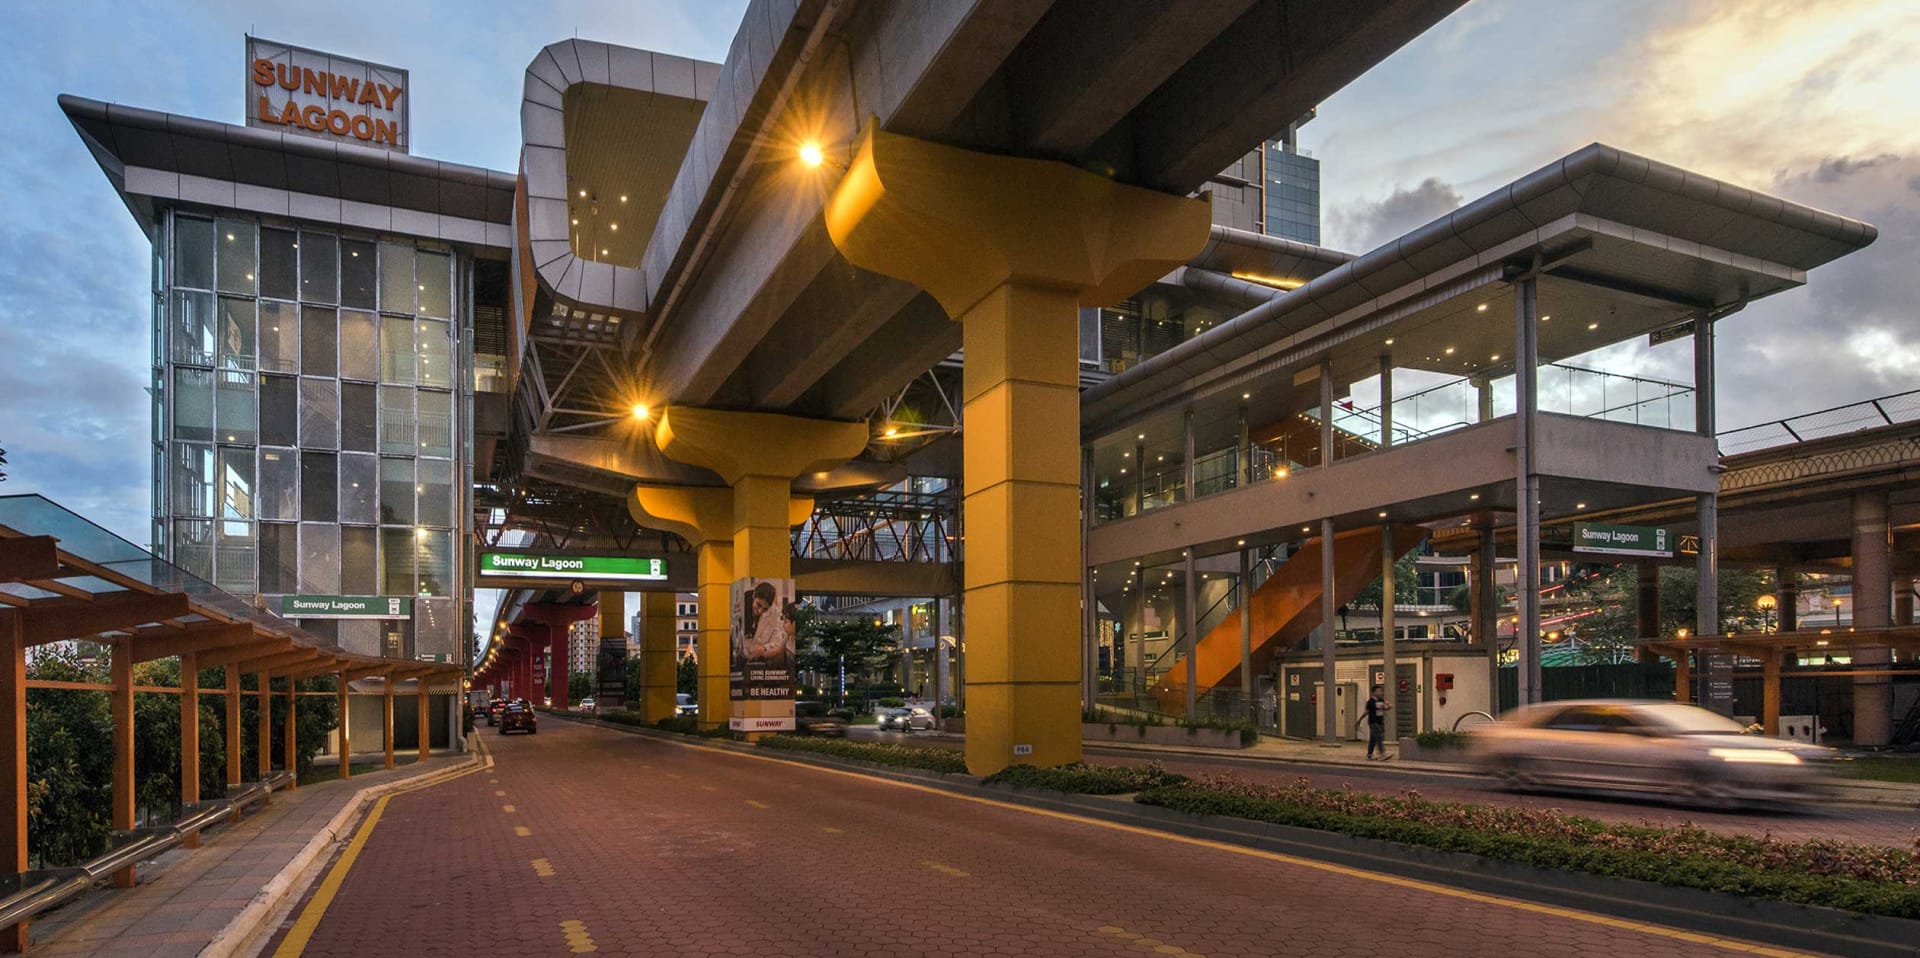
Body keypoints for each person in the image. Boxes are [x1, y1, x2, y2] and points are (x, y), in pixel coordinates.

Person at [1356, 684, 1391, 760]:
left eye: (1381, 691)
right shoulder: (1370, 702)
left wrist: (1388, 706)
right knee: (1379, 737)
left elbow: (1385, 708)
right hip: (1373, 722)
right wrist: (1359, 720)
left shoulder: (1381, 700)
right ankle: (1382, 754)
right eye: (1378, 691)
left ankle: (1369, 754)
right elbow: (1366, 712)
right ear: (1374, 692)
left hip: (1380, 721)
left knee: (1373, 739)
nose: (1380, 692)